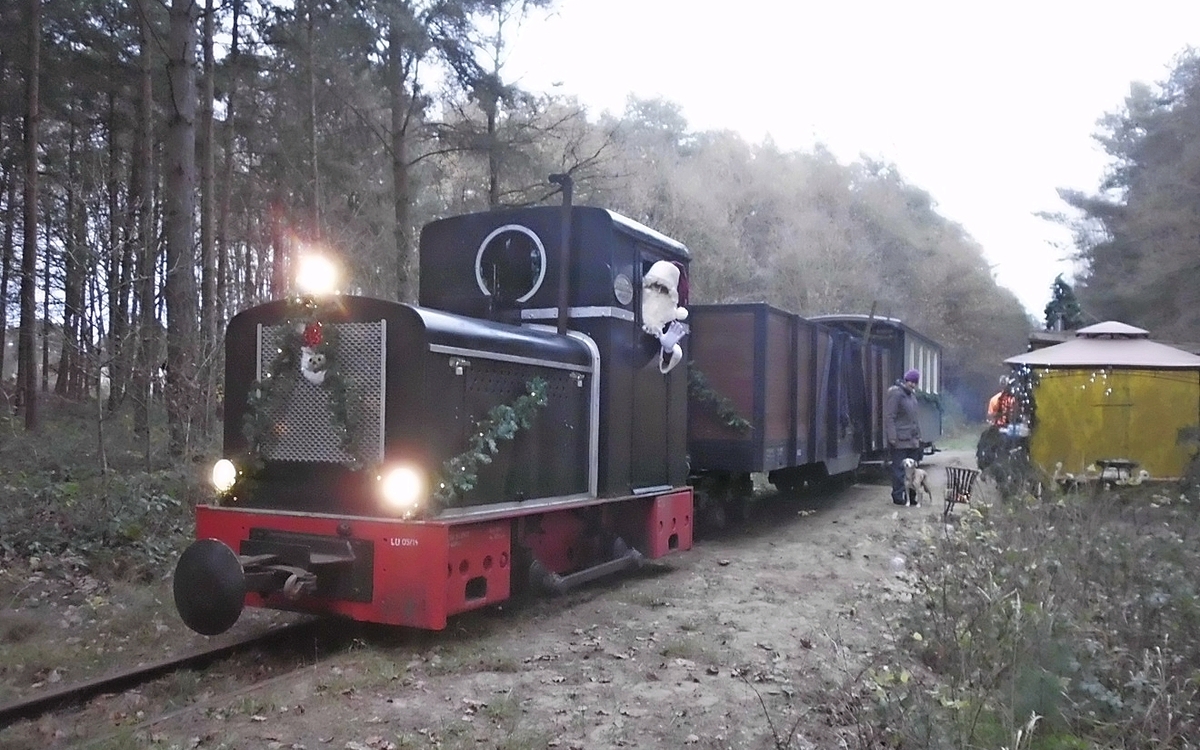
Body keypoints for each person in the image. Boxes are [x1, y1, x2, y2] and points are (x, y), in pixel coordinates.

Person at [884, 368, 924, 506]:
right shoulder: (896, 394)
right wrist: (892, 437)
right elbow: (890, 416)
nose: (912, 384)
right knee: (899, 470)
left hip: (913, 440)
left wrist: (919, 436)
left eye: (915, 382)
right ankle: (898, 496)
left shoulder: (912, 396)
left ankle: (911, 497)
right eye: (910, 381)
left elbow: (914, 419)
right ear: (905, 380)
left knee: (913, 471)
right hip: (899, 440)